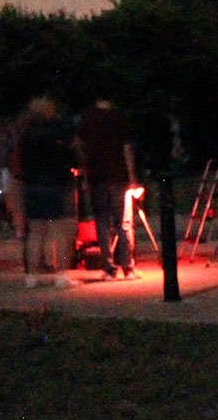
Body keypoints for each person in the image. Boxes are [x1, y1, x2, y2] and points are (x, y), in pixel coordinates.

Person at [16, 97, 78, 287]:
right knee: (60, 231)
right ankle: (61, 274)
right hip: (56, 183)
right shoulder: (56, 132)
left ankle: (32, 277)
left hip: (32, 185)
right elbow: (68, 156)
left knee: (35, 232)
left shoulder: (26, 134)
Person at [77, 93, 138, 279]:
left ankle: (108, 268)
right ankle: (127, 267)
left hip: (97, 176)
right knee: (122, 223)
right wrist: (132, 176)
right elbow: (126, 149)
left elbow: (81, 148)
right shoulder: (119, 118)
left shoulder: (87, 119)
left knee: (102, 223)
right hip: (118, 175)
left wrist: (85, 173)